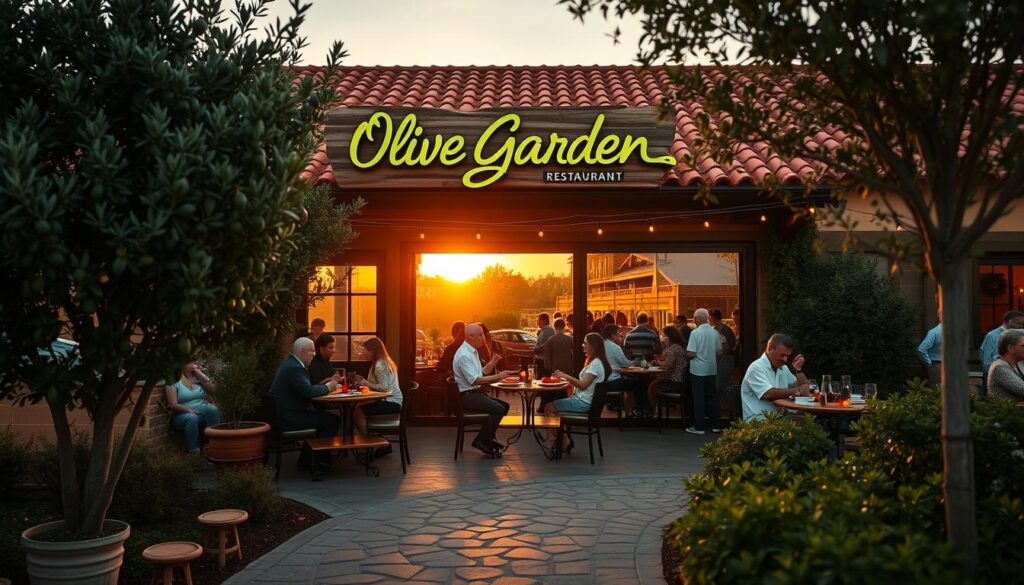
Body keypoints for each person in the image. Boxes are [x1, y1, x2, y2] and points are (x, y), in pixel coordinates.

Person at [270, 337, 341, 480]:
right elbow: (309, 391)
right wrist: (329, 386)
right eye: (312, 351)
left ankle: (309, 460)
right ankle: (316, 462)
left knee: (325, 418)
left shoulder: (291, 364)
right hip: (290, 418)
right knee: (332, 421)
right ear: (302, 352)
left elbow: (304, 390)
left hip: (286, 414)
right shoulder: (295, 368)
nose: (314, 354)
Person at [453, 323, 517, 457]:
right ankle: (482, 440)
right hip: (468, 396)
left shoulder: (472, 350)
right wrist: (498, 377)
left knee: (504, 406)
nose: (484, 338)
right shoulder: (464, 354)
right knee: (498, 409)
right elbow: (475, 380)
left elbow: (479, 374)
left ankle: (487, 439)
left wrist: (493, 362)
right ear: (470, 336)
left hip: (474, 393)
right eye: (480, 335)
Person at [545, 332, 610, 447]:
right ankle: (560, 439)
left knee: (549, 407)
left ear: (593, 346)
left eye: (585, 343)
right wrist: (568, 381)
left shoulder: (595, 364)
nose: (582, 345)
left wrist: (566, 376)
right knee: (553, 407)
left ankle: (563, 440)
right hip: (582, 401)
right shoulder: (596, 362)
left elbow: (583, 385)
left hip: (583, 403)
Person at [351, 337, 403, 455]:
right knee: (358, 406)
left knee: (358, 411)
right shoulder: (385, 361)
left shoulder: (379, 365)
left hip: (391, 402)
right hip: (393, 400)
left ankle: (369, 443)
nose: (364, 353)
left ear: (373, 351)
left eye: (366, 350)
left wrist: (364, 382)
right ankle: (381, 442)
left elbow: (384, 388)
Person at [740, 333, 811, 420]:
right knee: (807, 425)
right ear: (770, 348)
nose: (785, 359)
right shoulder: (756, 368)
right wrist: (798, 390)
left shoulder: (783, 368)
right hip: (758, 420)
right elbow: (767, 394)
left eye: (787, 356)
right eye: (782, 355)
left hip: (778, 418)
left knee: (810, 423)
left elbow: (802, 387)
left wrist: (798, 369)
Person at [166, 362, 221, 455]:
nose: (196, 364)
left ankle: (212, 446)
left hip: (201, 413)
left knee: (213, 410)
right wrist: (189, 410)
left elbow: (214, 391)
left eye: (195, 362)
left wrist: (202, 376)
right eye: (192, 362)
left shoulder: (198, 380)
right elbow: (173, 404)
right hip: (182, 415)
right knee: (192, 418)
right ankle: (193, 451)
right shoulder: (173, 381)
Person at [685, 308, 723, 434]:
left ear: (697, 319)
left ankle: (699, 426)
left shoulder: (695, 333)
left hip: (697, 370)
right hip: (711, 369)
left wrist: (687, 354)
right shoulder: (715, 333)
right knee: (712, 396)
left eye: (694, 318)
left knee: (699, 397)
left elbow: (691, 353)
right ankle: (716, 425)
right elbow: (719, 352)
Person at [980, 310, 1024, 396]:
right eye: (1019, 323)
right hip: (1006, 408)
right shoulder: (1000, 367)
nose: (1021, 325)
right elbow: (986, 362)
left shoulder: (1014, 365)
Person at [537, 318, 575, 412]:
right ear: (564, 326)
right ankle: (564, 410)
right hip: (568, 370)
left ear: (554, 327)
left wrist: (550, 370)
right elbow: (574, 354)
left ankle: (552, 410)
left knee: (553, 393)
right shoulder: (569, 339)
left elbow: (547, 358)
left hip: (555, 371)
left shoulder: (551, 340)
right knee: (564, 392)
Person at [987, 329, 1024, 402]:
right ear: (1010, 348)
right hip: (1005, 412)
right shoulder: (1000, 367)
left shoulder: (1012, 364)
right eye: (1023, 345)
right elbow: (1022, 389)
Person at [710, 308, 737, 394]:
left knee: (721, 386)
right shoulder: (722, 328)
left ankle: (732, 404)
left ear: (712, 318)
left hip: (724, 360)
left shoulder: (721, 330)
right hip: (724, 359)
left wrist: (715, 358)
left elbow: (724, 348)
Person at [917, 318, 943, 387]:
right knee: (938, 391)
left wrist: (928, 363)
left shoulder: (935, 332)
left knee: (938, 392)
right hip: (938, 365)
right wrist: (929, 362)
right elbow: (922, 349)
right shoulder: (934, 332)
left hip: (940, 366)